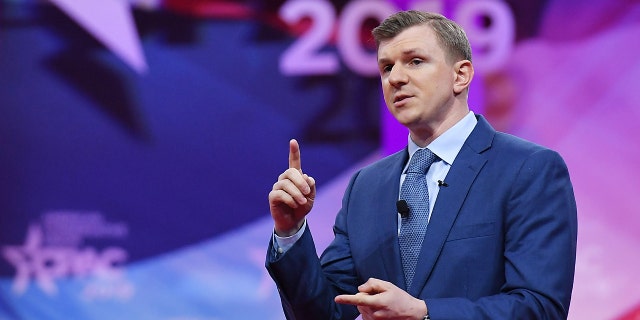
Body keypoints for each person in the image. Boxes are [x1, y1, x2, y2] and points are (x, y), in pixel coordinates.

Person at [265, 10, 577, 320]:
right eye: (387, 67)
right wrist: (290, 231)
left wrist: (425, 314)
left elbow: (541, 308)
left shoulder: (529, 169)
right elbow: (325, 314)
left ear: (461, 75)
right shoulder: (367, 186)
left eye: (415, 61)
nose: (396, 78)